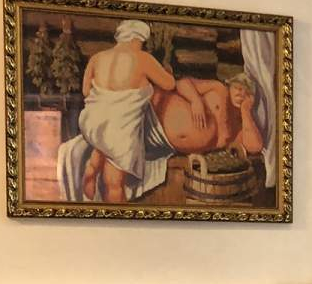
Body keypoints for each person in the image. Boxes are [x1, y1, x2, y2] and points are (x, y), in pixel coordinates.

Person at [72, 19, 209, 203]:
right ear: (136, 38)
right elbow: (169, 84)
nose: (142, 46)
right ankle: (117, 215)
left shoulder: (97, 57)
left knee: (106, 133)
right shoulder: (142, 58)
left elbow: (86, 91)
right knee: (114, 182)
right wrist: (165, 71)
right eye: (142, 42)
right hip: (120, 128)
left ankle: (92, 168)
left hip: (91, 121)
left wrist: (109, 99)